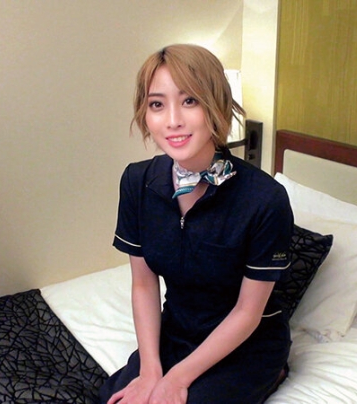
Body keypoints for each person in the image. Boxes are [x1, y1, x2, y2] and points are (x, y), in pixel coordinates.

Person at [100, 44, 293, 404]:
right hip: (177, 331)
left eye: (189, 101)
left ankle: (275, 372)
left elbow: (247, 312)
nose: (173, 120)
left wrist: (177, 378)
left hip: (245, 343)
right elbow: (144, 284)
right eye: (157, 104)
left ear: (216, 105)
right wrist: (151, 370)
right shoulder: (137, 182)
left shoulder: (265, 199)